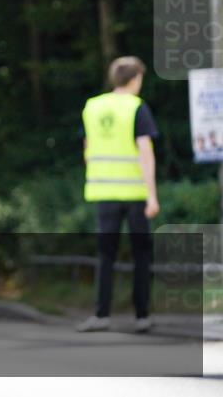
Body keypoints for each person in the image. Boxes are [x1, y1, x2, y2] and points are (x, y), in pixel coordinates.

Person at [76, 56, 159, 334]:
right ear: (135, 79)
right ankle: (141, 315)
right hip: (134, 192)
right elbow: (145, 152)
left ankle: (101, 315)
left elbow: (87, 150)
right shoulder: (136, 107)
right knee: (141, 254)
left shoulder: (93, 107)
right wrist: (152, 195)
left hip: (103, 191)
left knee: (105, 255)